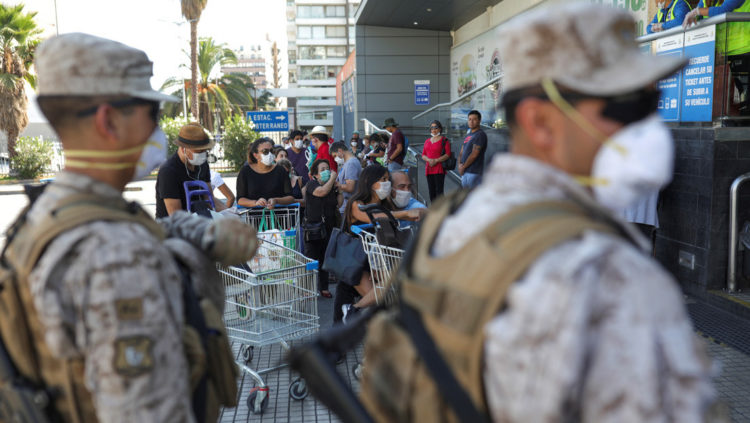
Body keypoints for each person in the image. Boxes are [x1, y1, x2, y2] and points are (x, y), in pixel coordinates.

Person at [360, 4, 716, 422]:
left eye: (651, 101)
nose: (648, 126)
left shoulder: (453, 219)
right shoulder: (607, 271)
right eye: (627, 107)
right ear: (540, 122)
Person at [1, 33, 257, 422]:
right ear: (109, 120)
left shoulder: (49, 213)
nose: (158, 131)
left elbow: (151, 227)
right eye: (151, 113)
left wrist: (202, 232)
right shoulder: (117, 252)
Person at [338, 165, 422, 322]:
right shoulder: (357, 203)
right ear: (370, 182)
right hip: (355, 260)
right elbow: (373, 217)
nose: (386, 183)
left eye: (388, 180)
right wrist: (405, 214)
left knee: (390, 291)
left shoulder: (386, 204)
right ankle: (352, 312)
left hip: (377, 259)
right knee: (383, 299)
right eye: (383, 180)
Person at [155, 122, 226, 217]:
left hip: (199, 222)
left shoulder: (202, 164)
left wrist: (228, 212)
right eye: (199, 151)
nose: (203, 154)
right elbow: (176, 216)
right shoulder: (168, 171)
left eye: (206, 150)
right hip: (172, 228)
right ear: (184, 149)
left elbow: (209, 199)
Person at [304, 159, 342, 298]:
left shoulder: (331, 186)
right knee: (312, 259)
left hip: (329, 227)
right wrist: (332, 177)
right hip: (314, 228)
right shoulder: (312, 185)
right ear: (316, 174)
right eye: (322, 170)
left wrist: (340, 190)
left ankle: (324, 287)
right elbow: (321, 192)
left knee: (325, 258)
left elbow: (338, 203)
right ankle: (308, 288)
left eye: (328, 168)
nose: (326, 171)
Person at [236, 137, 295, 208]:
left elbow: (290, 198)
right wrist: (256, 203)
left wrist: (276, 200)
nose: (269, 154)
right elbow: (240, 199)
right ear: (255, 155)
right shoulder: (245, 171)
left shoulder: (280, 170)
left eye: (272, 151)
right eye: (265, 151)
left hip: (278, 215)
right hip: (254, 216)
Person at [421, 120, 452, 201]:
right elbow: (423, 155)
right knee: (431, 191)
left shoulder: (444, 140)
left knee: (439, 192)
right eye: (432, 128)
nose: (434, 130)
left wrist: (436, 160)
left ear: (440, 129)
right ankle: (433, 211)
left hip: (439, 168)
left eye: (436, 127)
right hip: (429, 168)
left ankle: (441, 211)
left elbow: (448, 154)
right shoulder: (427, 141)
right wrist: (429, 160)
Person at [330, 141, 362, 215]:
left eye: (335, 156)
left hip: (349, 205)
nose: (335, 159)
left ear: (340, 151)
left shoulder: (351, 164)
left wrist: (337, 184)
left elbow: (350, 187)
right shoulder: (347, 163)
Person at [458, 109, 487, 188]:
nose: (471, 121)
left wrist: (463, 167)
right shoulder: (468, 135)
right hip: (465, 172)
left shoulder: (480, 135)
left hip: (474, 172)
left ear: (479, 121)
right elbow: (461, 152)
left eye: (474, 119)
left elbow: (474, 154)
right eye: (470, 119)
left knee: (473, 197)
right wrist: (459, 165)